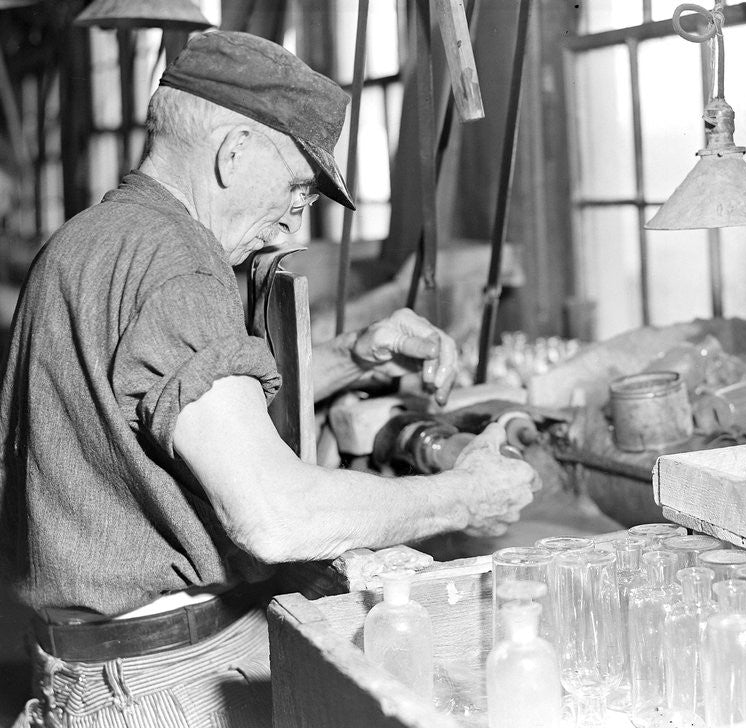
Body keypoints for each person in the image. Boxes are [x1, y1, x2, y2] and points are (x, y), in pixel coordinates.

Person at [0, 30, 538, 727]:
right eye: (296, 189)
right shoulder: (175, 268)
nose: (289, 229)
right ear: (232, 153)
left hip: (95, 665)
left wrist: (354, 355)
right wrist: (465, 496)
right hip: (170, 683)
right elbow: (277, 518)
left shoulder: (94, 241)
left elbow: (154, 416)